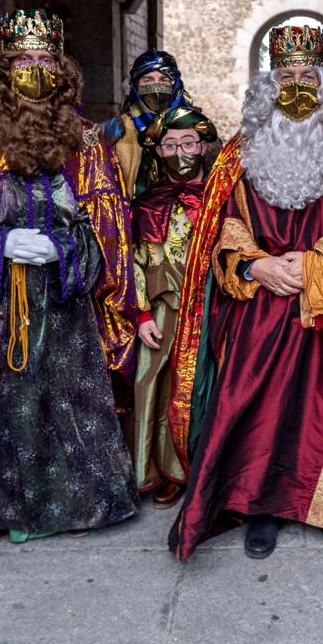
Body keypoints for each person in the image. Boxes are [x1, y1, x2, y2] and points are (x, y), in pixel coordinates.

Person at [166, 24, 323, 562]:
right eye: (284, 75)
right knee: (256, 409)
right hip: (257, 306)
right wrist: (258, 264)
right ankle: (260, 507)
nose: (294, 86)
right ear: (268, 82)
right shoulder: (241, 147)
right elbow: (220, 224)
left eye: (306, 75)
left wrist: (314, 264)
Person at [0, 8, 139, 550]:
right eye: (22, 60)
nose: (34, 70)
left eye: (44, 60)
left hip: (67, 302)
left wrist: (67, 247)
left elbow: (110, 226)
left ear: (61, 68)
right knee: (6, 403)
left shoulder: (87, 140)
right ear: (2, 68)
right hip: (0, 304)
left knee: (69, 399)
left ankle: (78, 503)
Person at [131, 105, 219, 508]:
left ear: (203, 146)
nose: (180, 150)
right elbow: (132, 260)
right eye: (170, 144)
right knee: (159, 387)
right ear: (158, 151)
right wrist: (142, 313)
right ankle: (168, 470)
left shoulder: (225, 199)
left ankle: (210, 471)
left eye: (188, 142)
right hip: (165, 312)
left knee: (211, 389)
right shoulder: (147, 203)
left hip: (214, 309)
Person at [103, 50, 195, 194]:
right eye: (148, 80)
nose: (157, 87)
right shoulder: (116, 128)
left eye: (164, 80)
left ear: (175, 84)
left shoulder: (196, 127)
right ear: (136, 85)